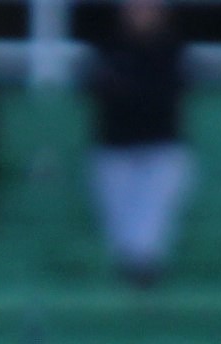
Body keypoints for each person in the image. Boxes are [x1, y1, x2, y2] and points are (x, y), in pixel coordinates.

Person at [85, 0, 192, 288]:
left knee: (165, 182)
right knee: (117, 203)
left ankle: (142, 266)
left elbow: (165, 98)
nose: (141, 13)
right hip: (115, 147)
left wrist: (129, 90)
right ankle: (135, 267)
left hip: (161, 147)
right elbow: (95, 90)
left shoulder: (173, 49)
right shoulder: (107, 47)